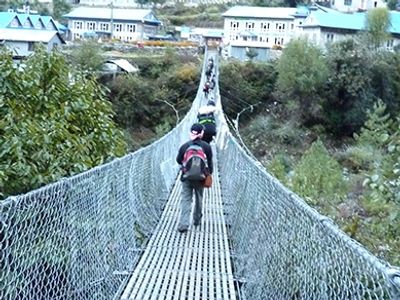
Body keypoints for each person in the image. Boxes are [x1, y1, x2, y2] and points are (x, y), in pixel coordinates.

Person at [176, 123, 213, 233]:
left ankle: (183, 224)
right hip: (200, 178)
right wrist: (209, 174)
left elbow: (178, 160)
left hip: (186, 177)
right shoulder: (206, 146)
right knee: (199, 198)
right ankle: (196, 220)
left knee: (186, 199)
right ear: (201, 133)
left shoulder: (185, 146)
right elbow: (210, 163)